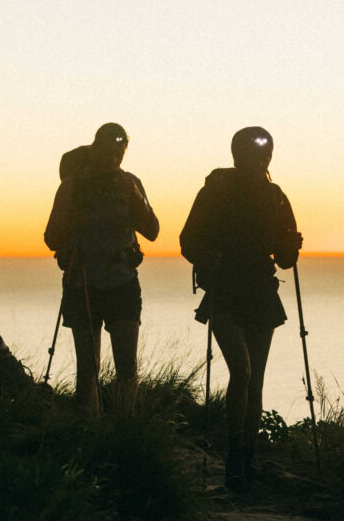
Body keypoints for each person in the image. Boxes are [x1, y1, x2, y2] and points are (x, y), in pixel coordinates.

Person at [179, 126, 302, 492]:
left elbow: (283, 259)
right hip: (227, 292)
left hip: (257, 290)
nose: (261, 160)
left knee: (253, 378)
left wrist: (291, 247)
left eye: (265, 154)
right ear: (239, 155)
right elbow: (188, 241)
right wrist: (207, 258)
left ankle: (245, 461)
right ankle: (237, 459)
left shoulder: (273, 196)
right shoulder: (219, 191)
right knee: (244, 373)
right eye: (256, 153)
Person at [44, 123, 160, 416]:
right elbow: (51, 237)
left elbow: (153, 230)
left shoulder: (130, 183)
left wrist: (133, 195)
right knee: (88, 370)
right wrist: (74, 221)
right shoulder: (72, 185)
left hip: (121, 280)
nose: (114, 159)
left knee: (126, 367)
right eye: (109, 151)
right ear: (94, 149)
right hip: (82, 281)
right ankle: (91, 432)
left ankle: (123, 433)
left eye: (120, 153)